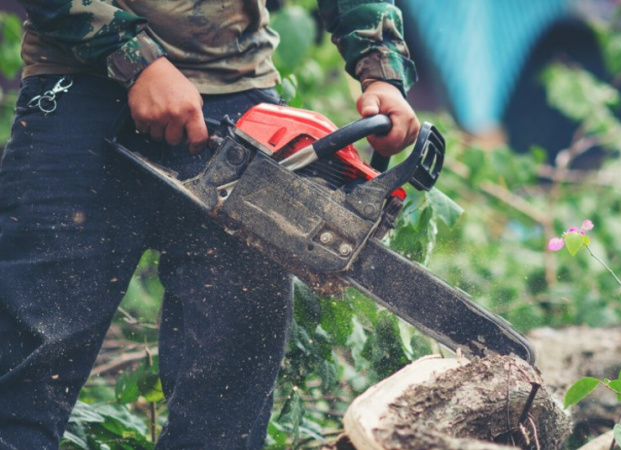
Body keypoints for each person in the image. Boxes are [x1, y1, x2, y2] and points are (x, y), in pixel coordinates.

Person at [0, 1, 420, 448]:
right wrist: (134, 58)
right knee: (24, 379)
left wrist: (381, 72)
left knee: (225, 408)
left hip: (240, 103)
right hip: (80, 86)